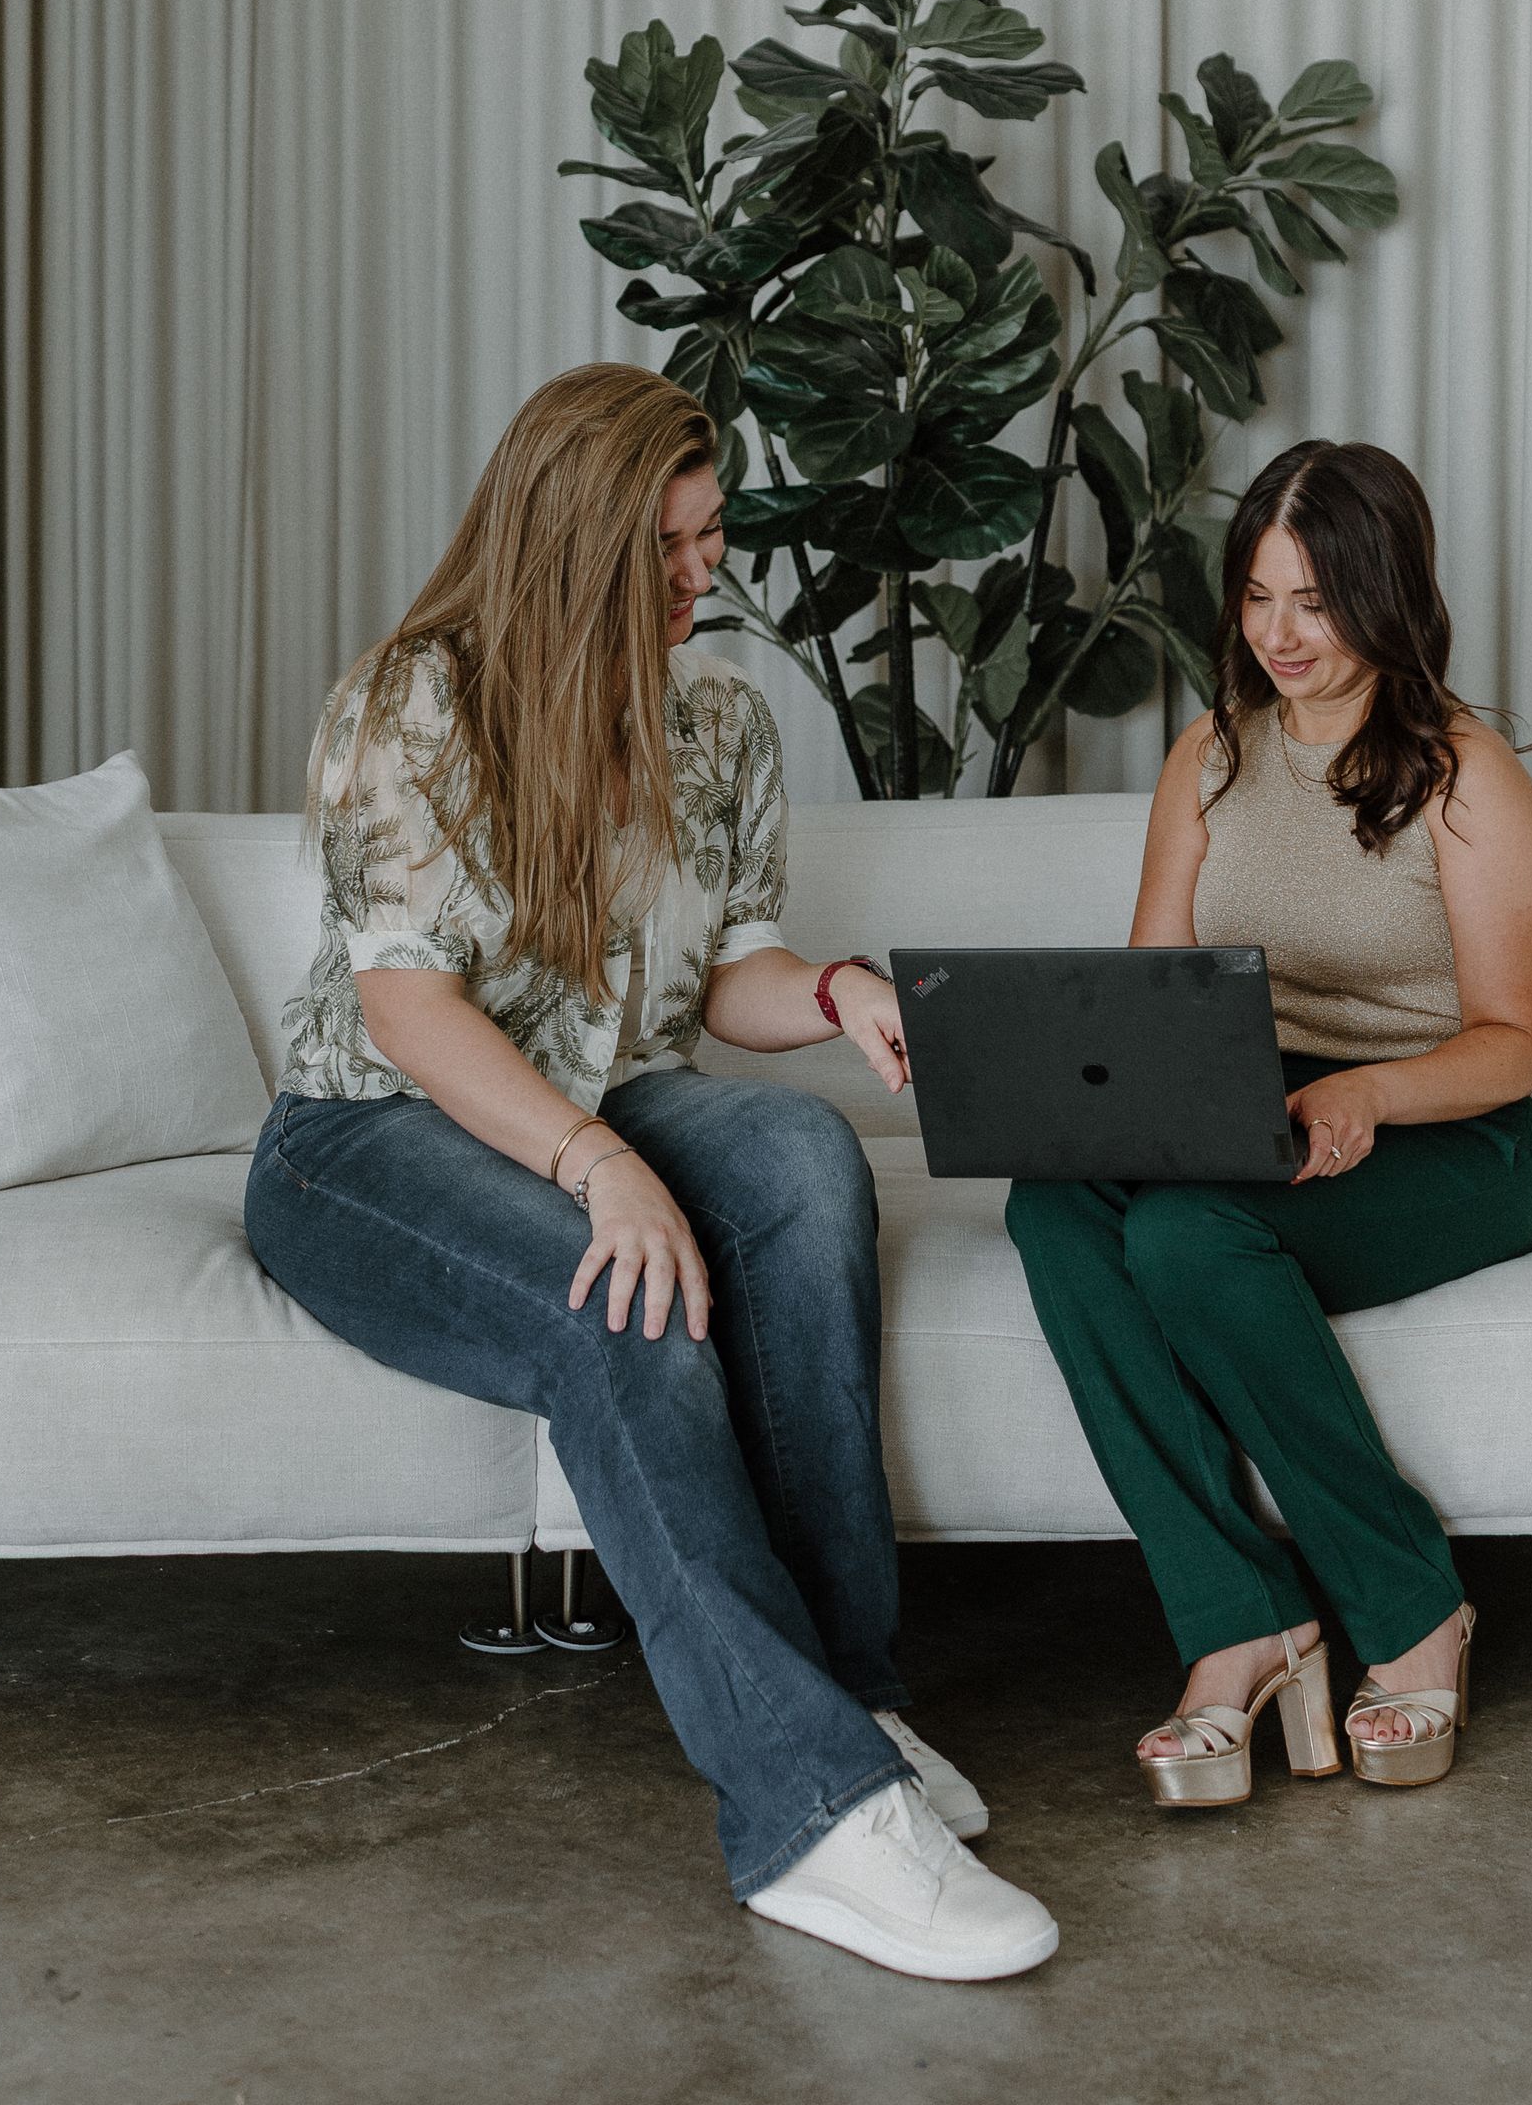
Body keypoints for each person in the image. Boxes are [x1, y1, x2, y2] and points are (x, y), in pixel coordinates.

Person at [246, 362, 1057, 1981]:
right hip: (364, 1139)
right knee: (614, 1292)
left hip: (599, 1093)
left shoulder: (716, 720)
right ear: (574, 544)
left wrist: (829, 991)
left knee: (801, 1158)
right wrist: (596, 1162)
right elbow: (407, 1008)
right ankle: (810, 1816)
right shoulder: (410, 701)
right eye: (673, 547)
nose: (709, 573)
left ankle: (860, 1708)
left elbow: (726, 976)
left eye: (711, 536)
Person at [1006, 440, 1532, 1798]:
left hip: (1447, 1124)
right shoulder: (1210, 754)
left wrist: (1364, 1090)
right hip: (1255, 1107)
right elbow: (1156, 995)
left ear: (1384, 594)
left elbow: (1514, 1046)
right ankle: (1242, 1618)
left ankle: (1413, 1606)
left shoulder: (1462, 776)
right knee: (1054, 1200)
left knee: (1191, 1238)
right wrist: (1065, 1086)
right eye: (1258, 600)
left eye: (1313, 602)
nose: (1281, 636)